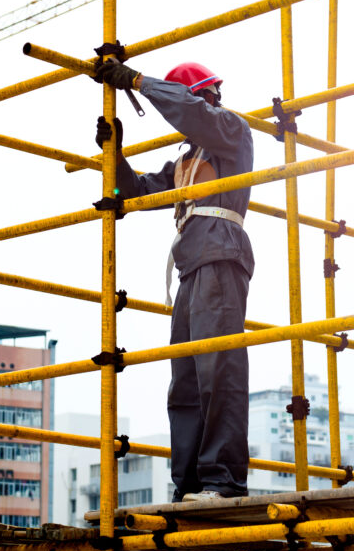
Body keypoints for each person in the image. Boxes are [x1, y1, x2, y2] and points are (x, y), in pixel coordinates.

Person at [94, 59, 253, 501]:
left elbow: (194, 114)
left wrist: (142, 83)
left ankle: (223, 481)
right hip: (191, 265)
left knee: (217, 367)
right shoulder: (187, 162)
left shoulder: (230, 133)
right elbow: (134, 194)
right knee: (185, 378)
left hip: (219, 255)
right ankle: (191, 484)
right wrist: (115, 156)